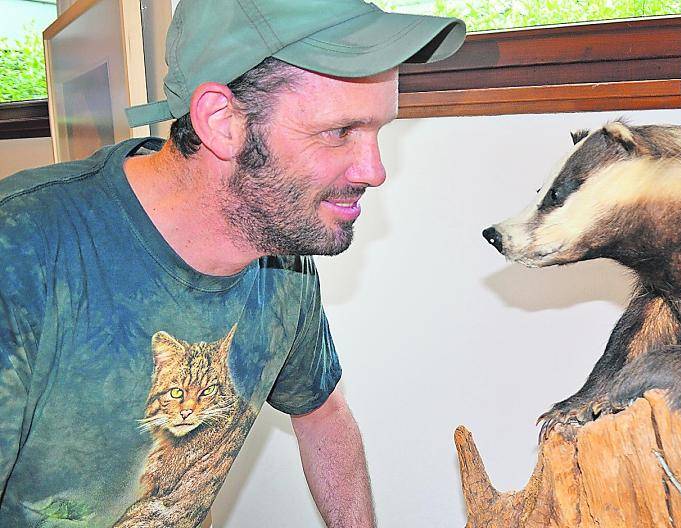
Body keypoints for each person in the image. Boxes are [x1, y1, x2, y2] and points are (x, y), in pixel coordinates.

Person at [0, 0, 465, 526]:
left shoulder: (279, 255)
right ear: (221, 122)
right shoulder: (22, 253)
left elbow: (324, 417)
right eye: (339, 132)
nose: (375, 171)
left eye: (379, 131)